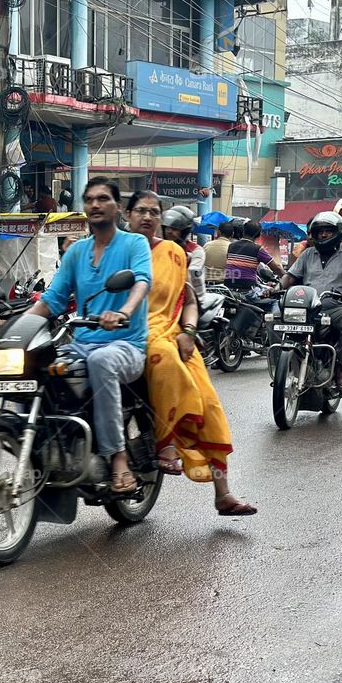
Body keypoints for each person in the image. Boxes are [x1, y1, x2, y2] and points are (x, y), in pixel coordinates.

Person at [126, 190, 256, 516]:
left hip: (171, 334)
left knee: (209, 402)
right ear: (126, 216)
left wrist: (189, 332)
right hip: (123, 336)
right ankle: (164, 441)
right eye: (139, 211)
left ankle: (223, 492)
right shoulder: (111, 250)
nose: (147, 218)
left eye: (153, 212)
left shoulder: (173, 253)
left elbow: (190, 301)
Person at [28, 177, 151, 494]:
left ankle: (118, 458)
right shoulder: (76, 252)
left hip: (127, 345)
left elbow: (140, 282)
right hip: (81, 344)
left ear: (117, 207)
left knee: (101, 361)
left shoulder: (134, 244)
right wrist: (16, 324)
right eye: (90, 199)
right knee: (37, 364)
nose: (95, 204)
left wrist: (123, 312)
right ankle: (47, 447)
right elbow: (53, 299)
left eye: (103, 199)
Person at [282, 212, 342, 394]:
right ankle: (282, 363)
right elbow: (290, 276)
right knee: (275, 319)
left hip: (335, 305)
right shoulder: (307, 254)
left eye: (328, 231)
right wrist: (276, 287)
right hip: (307, 306)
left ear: (339, 233)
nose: (324, 235)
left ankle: (339, 370)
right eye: (320, 232)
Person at [224, 220, 284, 313]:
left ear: (243, 232)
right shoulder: (258, 249)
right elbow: (276, 268)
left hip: (228, 291)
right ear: (259, 235)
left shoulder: (231, 246)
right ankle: (269, 326)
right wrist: (287, 277)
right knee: (275, 302)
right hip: (246, 292)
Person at [161, 206, 206, 301]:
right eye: (167, 228)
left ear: (184, 230)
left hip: (189, 298)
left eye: (174, 229)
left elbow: (193, 272)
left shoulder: (196, 251)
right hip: (162, 295)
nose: (169, 231)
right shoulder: (160, 247)